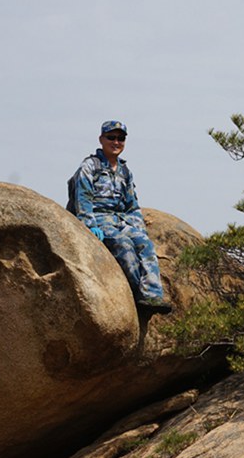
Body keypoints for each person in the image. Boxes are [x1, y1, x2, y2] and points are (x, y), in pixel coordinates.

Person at [67, 120, 172, 315]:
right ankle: (136, 294)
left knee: (145, 244)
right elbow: (83, 198)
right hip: (98, 219)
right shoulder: (90, 166)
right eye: (111, 137)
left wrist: (138, 227)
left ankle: (153, 295)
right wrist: (89, 225)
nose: (116, 142)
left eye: (121, 138)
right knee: (123, 245)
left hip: (121, 219)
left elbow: (132, 205)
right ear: (101, 139)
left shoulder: (125, 171)